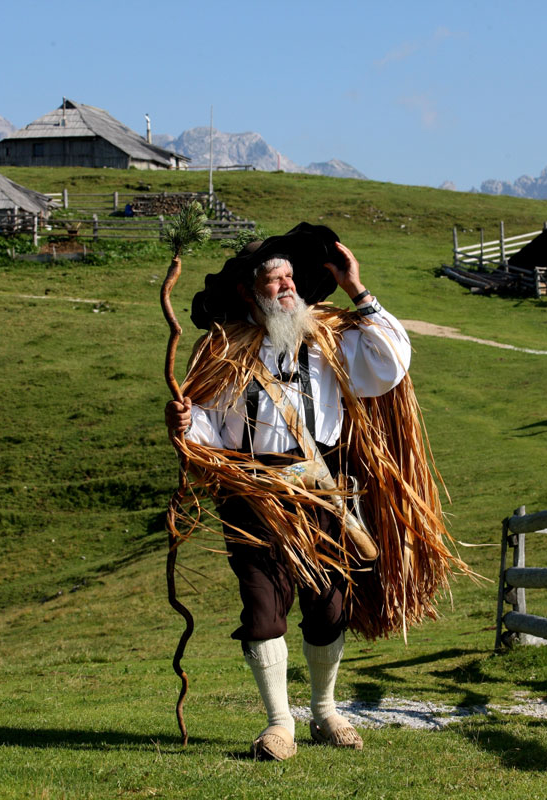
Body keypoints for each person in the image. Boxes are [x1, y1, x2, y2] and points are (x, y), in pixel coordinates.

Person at [164, 223, 458, 761]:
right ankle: (280, 726)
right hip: (252, 497)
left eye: (289, 277)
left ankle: (325, 712)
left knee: (327, 608)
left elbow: (392, 364)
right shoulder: (222, 349)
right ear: (247, 292)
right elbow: (208, 426)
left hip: (323, 495)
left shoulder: (330, 338)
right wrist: (184, 424)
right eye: (272, 280)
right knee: (262, 610)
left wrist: (356, 288)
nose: (285, 287)